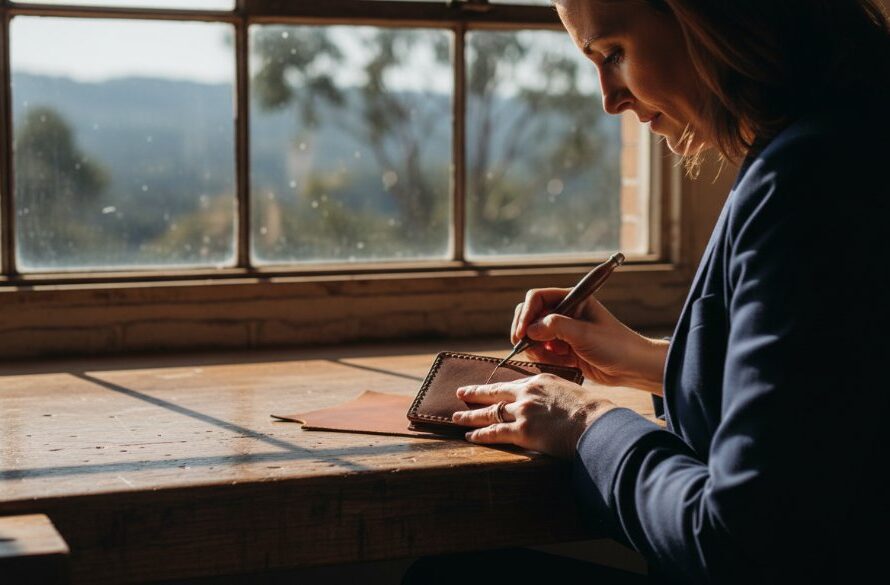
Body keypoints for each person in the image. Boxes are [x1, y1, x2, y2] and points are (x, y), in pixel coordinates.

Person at [403, 0, 890, 583]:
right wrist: (646, 361)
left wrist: (584, 424)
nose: (610, 99)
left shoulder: (809, 179)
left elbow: (741, 541)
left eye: (613, 54)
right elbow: (830, 396)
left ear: (708, 18)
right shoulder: (850, 132)